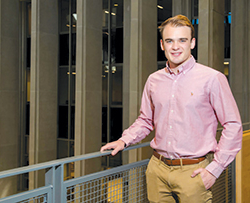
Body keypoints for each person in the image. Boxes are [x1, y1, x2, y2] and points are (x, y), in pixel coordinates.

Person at [100, 14, 242, 203]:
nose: (175, 47)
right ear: (162, 45)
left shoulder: (212, 79)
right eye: (170, 41)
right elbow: (146, 120)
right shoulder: (153, 80)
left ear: (192, 43)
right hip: (157, 170)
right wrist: (124, 140)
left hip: (193, 172)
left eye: (182, 40)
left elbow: (233, 125)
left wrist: (214, 169)